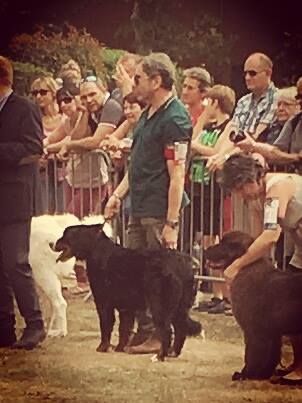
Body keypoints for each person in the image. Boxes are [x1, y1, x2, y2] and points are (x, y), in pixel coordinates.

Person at [104, 52, 192, 354]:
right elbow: (137, 164)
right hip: (138, 207)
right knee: (136, 275)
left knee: (160, 278)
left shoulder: (176, 118)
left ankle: (160, 334)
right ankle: (144, 332)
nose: (134, 83)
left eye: (139, 78)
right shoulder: (148, 114)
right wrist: (117, 195)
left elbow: (177, 173)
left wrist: (171, 223)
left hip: (158, 210)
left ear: (156, 81)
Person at [221, 153, 302, 385]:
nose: (240, 195)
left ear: (251, 179)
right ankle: (298, 363)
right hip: (300, 245)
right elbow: (256, 242)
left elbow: (269, 237)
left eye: (239, 188)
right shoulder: (259, 199)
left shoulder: (277, 188)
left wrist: (236, 266)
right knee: (293, 307)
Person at [0, 56, 46, 349]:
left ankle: (35, 323)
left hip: (15, 198)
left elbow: (33, 148)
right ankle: (4, 327)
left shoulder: (24, 107)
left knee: (16, 263)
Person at [207, 52, 278, 172]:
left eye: (252, 73)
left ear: (268, 73)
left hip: (257, 166)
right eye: (245, 73)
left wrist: (226, 157)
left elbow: (254, 138)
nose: (247, 77)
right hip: (237, 162)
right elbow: (233, 135)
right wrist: (220, 156)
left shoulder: (277, 98)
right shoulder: (243, 101)